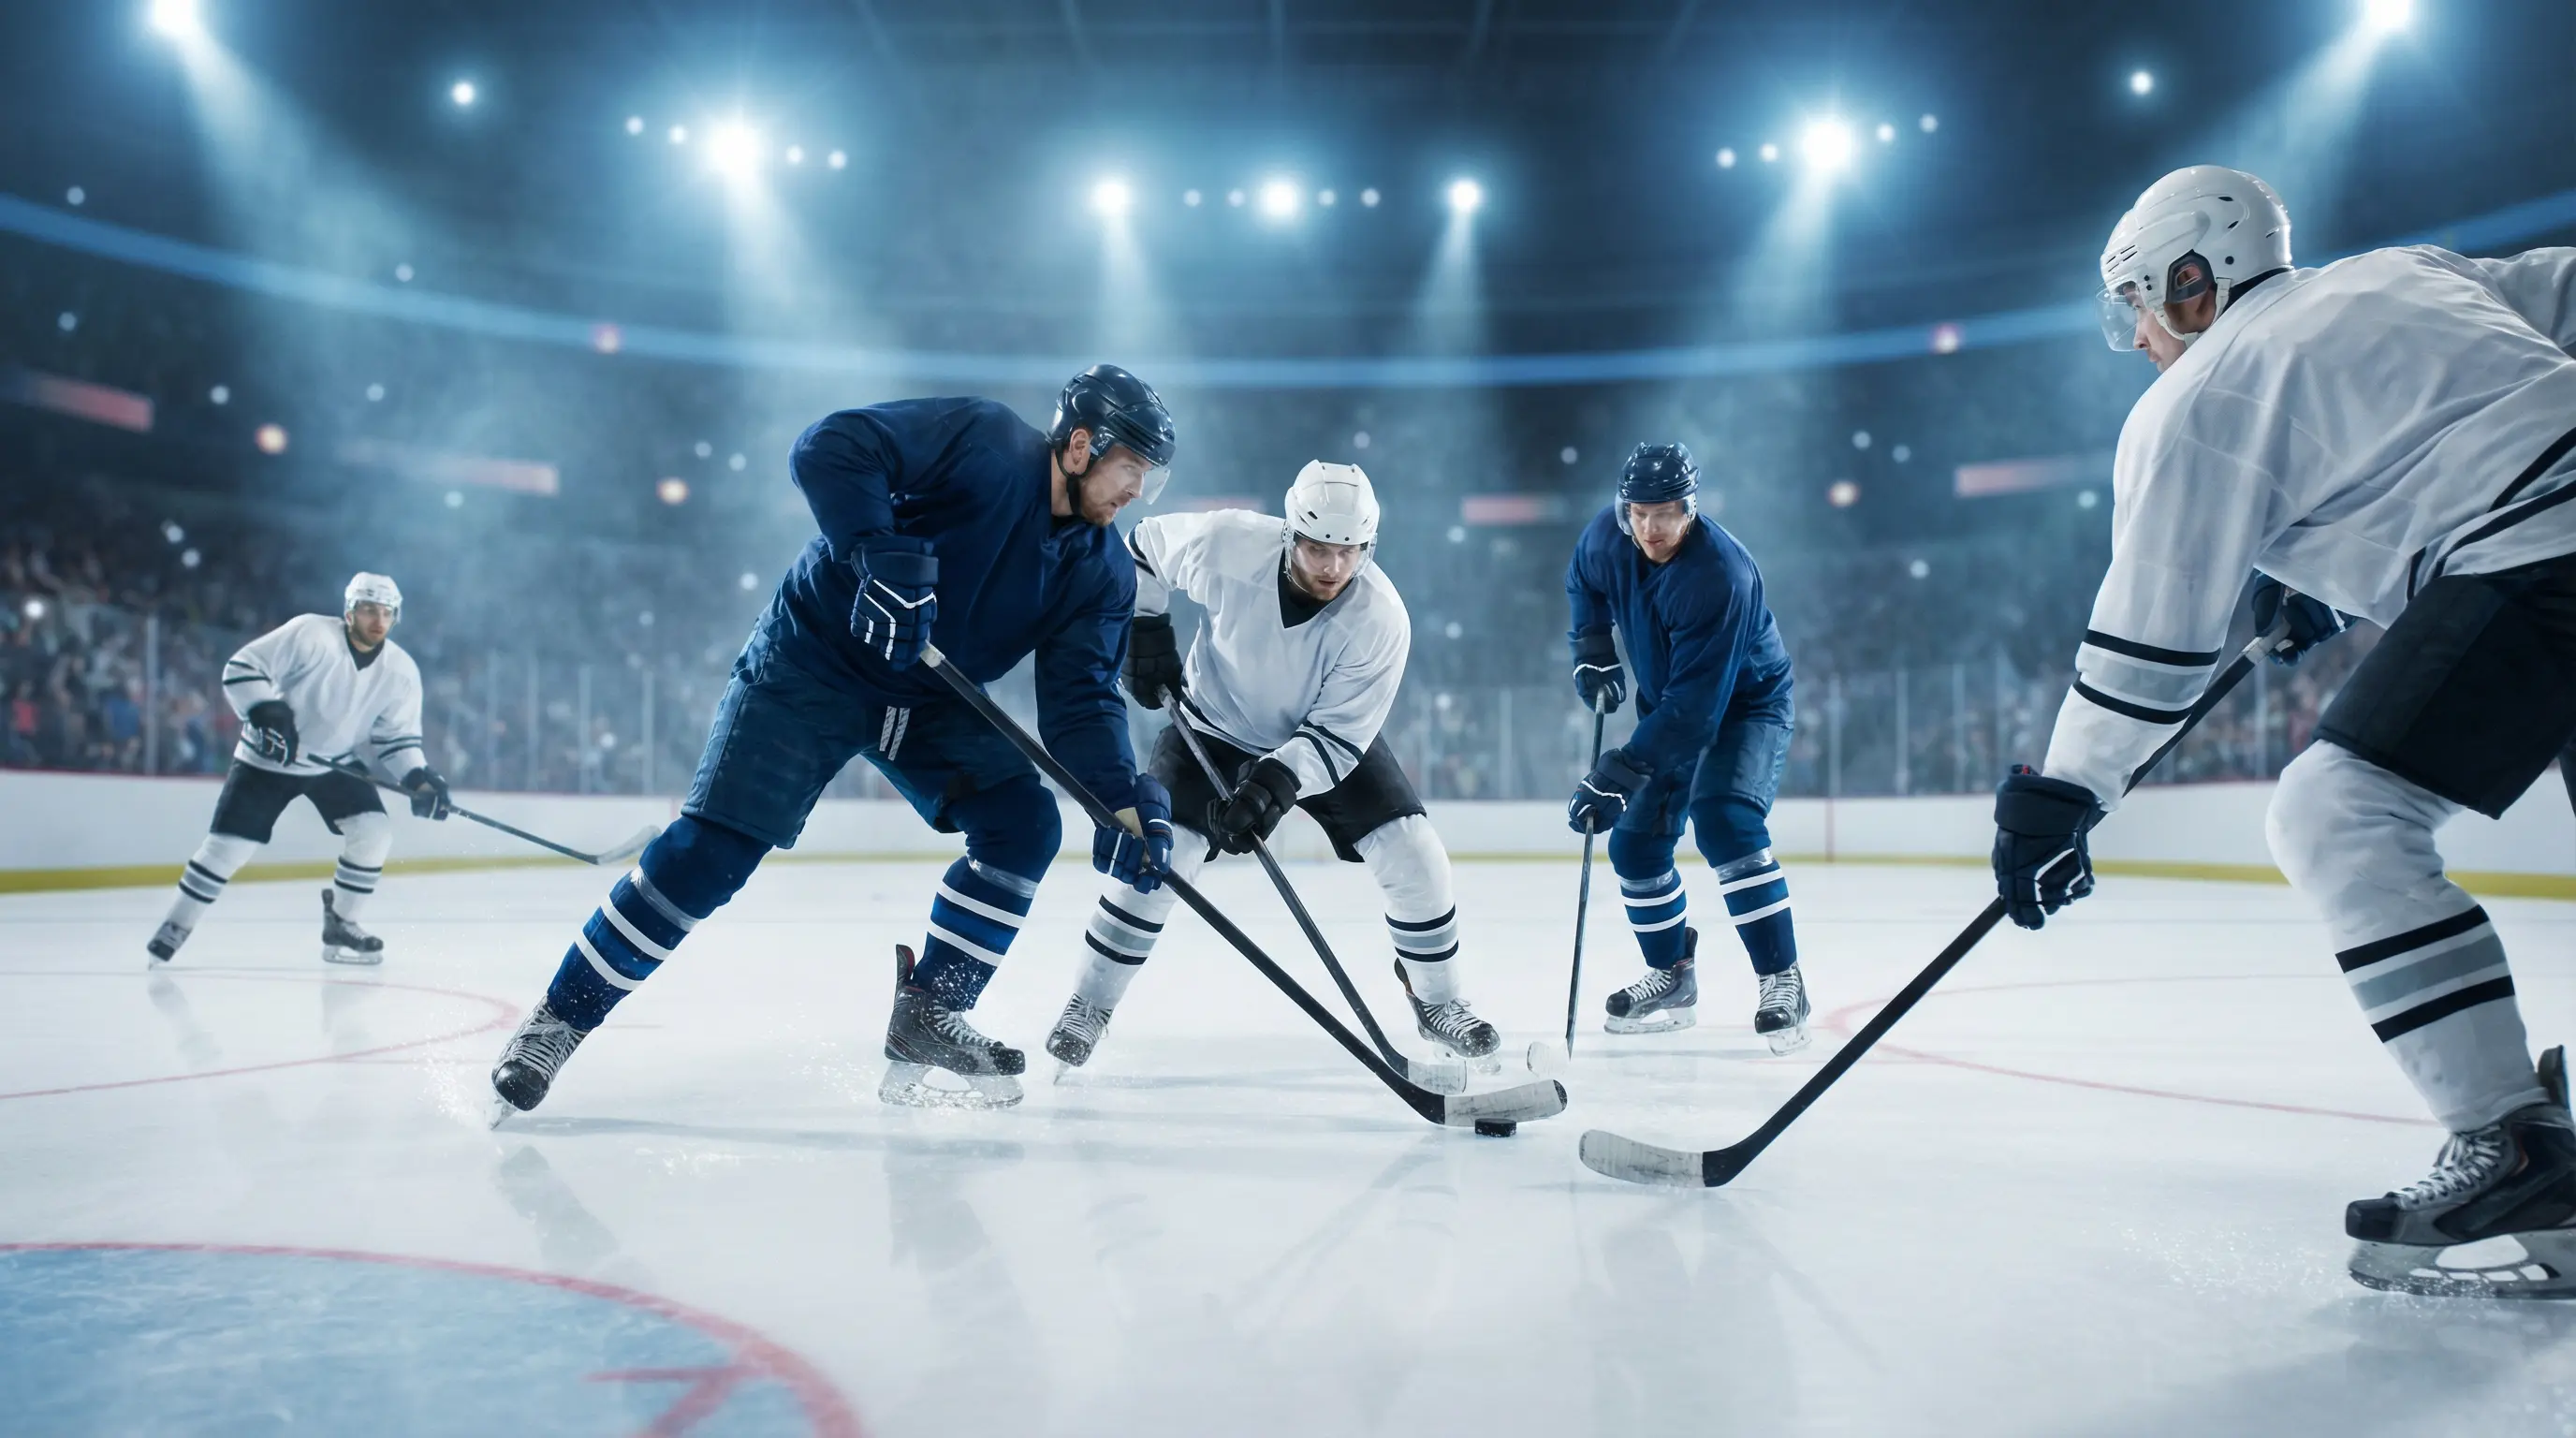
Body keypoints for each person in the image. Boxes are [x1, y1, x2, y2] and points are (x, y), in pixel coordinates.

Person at [1993, 163, 2576, 1297]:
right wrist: (2344, 556)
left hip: (2535, 550)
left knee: (2335, 810)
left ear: (2191, 280)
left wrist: (2064, 793)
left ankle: (2511, 1143)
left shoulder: (2200, 393)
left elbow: (2151, 639)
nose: (2141, 338)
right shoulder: (2406, 271)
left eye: (2139, 307)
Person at [485, 365, 1180, 1119]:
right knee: (709, 854)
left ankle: (929, 1012)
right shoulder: (984, 440)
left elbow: (1080, 702)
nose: (1138, 491)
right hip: (814, 660)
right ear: (1081, 445)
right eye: (1131, 468)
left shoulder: (1102, 570)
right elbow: (831, 446)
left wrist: (1121, 799)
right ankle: (557, 1020)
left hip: (929, 699)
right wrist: (875, 547)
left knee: (1025, 825)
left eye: (1151, 478)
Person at [1046, 461, 1503, 1071]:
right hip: (1209, 725)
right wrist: (1146, 624)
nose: (1331, 567)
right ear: (1290, 533)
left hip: (1320, 740)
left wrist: (1271, 785)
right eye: (1317, 547)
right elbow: (1141, 549)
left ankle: (1440, 1002)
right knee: (1159, 856)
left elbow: (1338, 737)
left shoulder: (1382, 620)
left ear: (1368, 547)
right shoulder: (1229, 544)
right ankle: (1089, 1005)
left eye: (1348, 551)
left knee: (1415, 853)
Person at [1563, 443, 1808, 1052]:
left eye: (1666, 512)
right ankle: (1673, 977)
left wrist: (1617, 772)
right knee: (1636, 847)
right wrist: (1592, 647)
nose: (1650, 527)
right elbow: (1582, 583)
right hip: (1673, 703)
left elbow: (1698, 714)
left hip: (1744, 706)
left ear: (1690, 509)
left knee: (1725, 821)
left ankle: (1784, 981)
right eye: (1639, 512)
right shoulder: (1605, 536)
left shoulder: (1720, 574)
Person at [147, 573, 451, 967]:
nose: (378, 619)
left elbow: (397, 740)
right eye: (368, 609)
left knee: (374, 831)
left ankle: (343, 923)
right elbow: (242, 668)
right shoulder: (310, 633)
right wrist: (265, 711)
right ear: (349, 611)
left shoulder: (401, 671)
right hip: (268, 759)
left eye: (386, 612)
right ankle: (176, 925)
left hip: (335, 762)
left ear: (396, 617)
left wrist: (417, 777)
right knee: (228, 849)